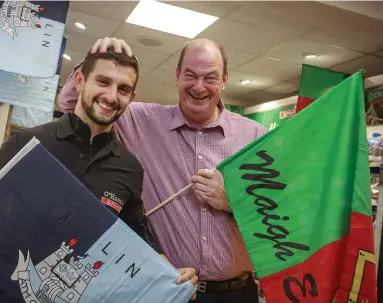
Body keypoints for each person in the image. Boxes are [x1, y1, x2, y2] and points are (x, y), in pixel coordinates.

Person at [0, 48, 197, 298]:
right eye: (103, 82)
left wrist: (166, 268)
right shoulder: (29, 143)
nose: (112, 96)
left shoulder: (129, 169)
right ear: (80, 81)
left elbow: (134, 230)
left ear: (132, 98)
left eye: (123, 89)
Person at [58, 37, 267, 303]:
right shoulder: (141, 121)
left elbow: (274, 218)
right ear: (177, 76)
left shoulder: (254, 137)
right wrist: (96, 57)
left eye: (210, 77)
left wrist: (231, 202)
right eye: (190, 75)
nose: (199, 87)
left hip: (237, 294)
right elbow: (72, 106)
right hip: (167, 291)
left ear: (224, 80)